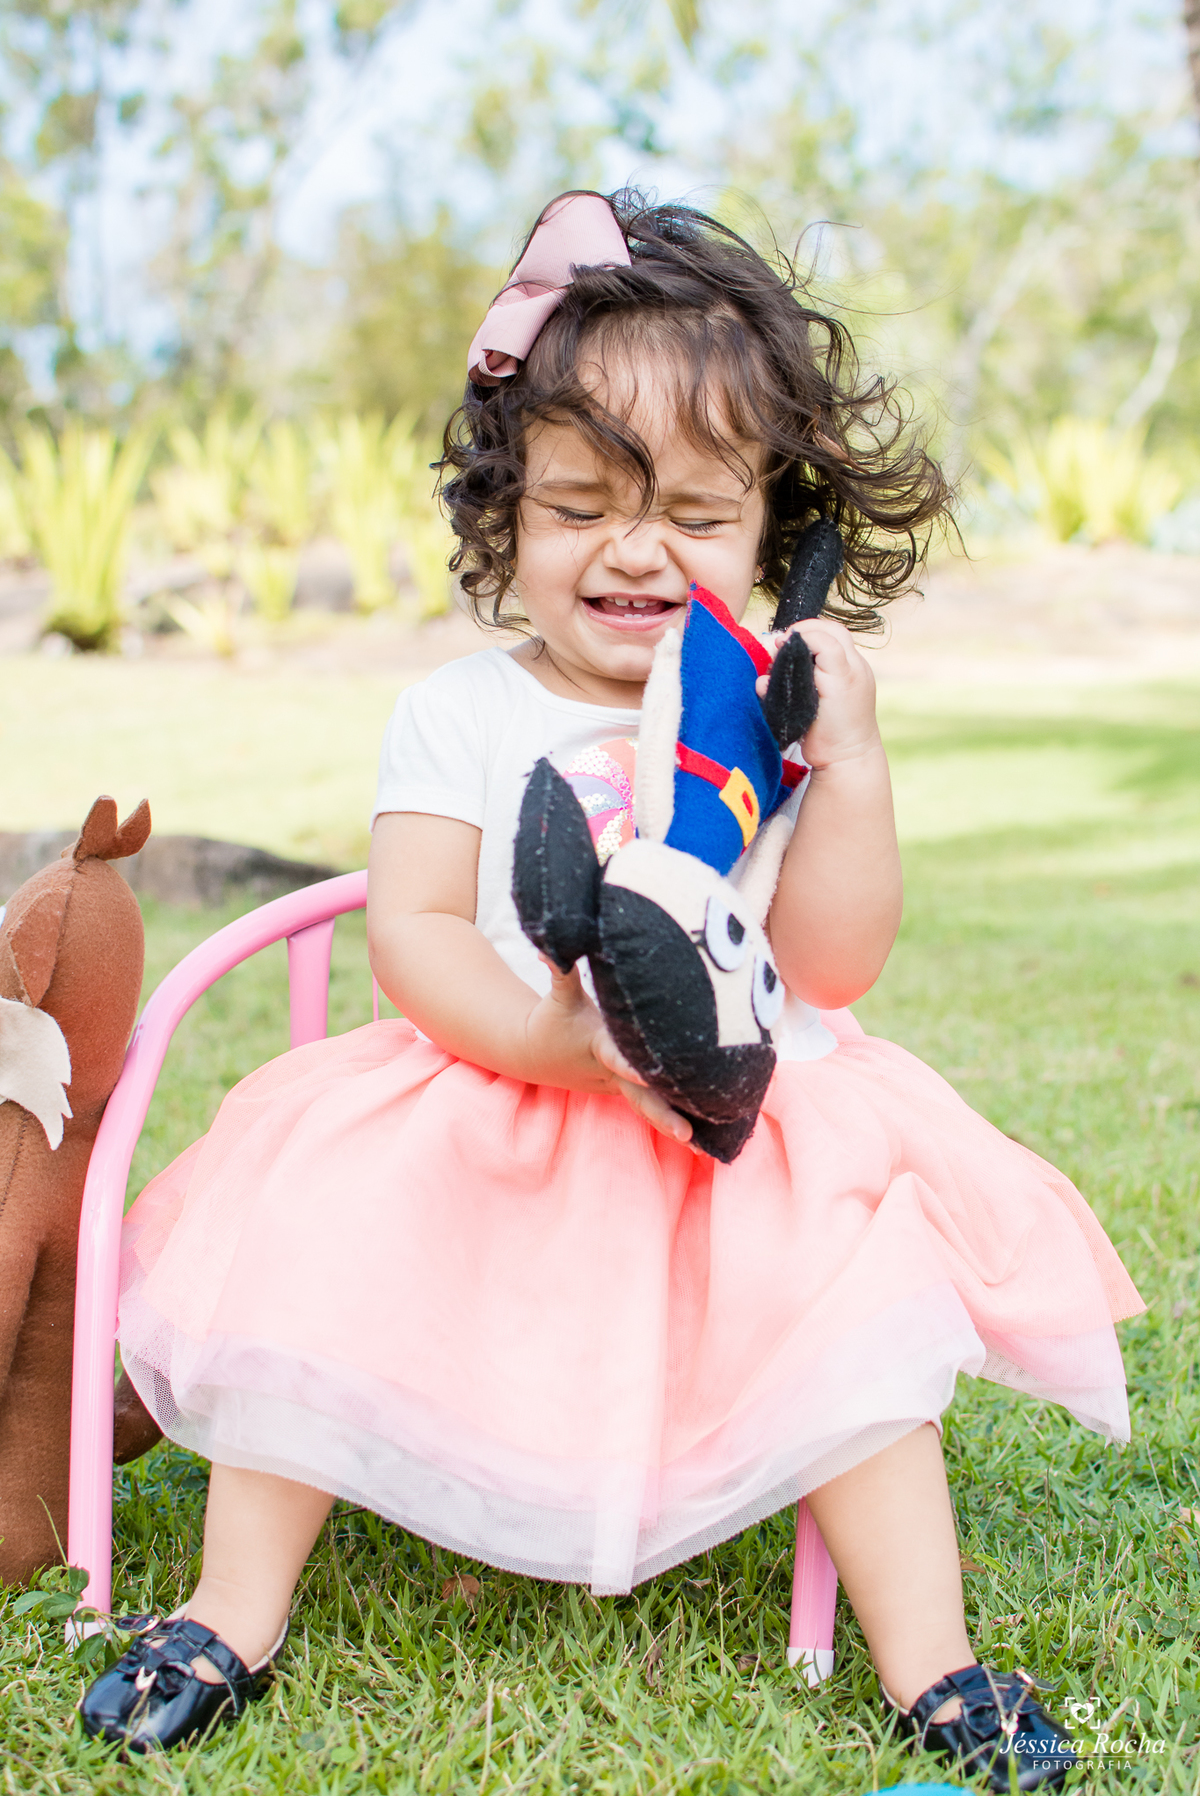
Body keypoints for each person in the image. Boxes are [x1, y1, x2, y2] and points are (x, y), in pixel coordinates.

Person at [82, 191, 1142, 1788]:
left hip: (732, 1118)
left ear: (775, 530)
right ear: (505, 518)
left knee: (855, 1317)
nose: (635, 549)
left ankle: (937, 1663)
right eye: (578, 505)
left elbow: (835, 962)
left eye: (697, 513)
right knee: (315, 1248)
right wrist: (550, 1046)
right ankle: (232, 1609)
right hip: (496, 1083)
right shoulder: (460, 708)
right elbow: (420, 931)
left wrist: (842, 764)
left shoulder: (769, 710)